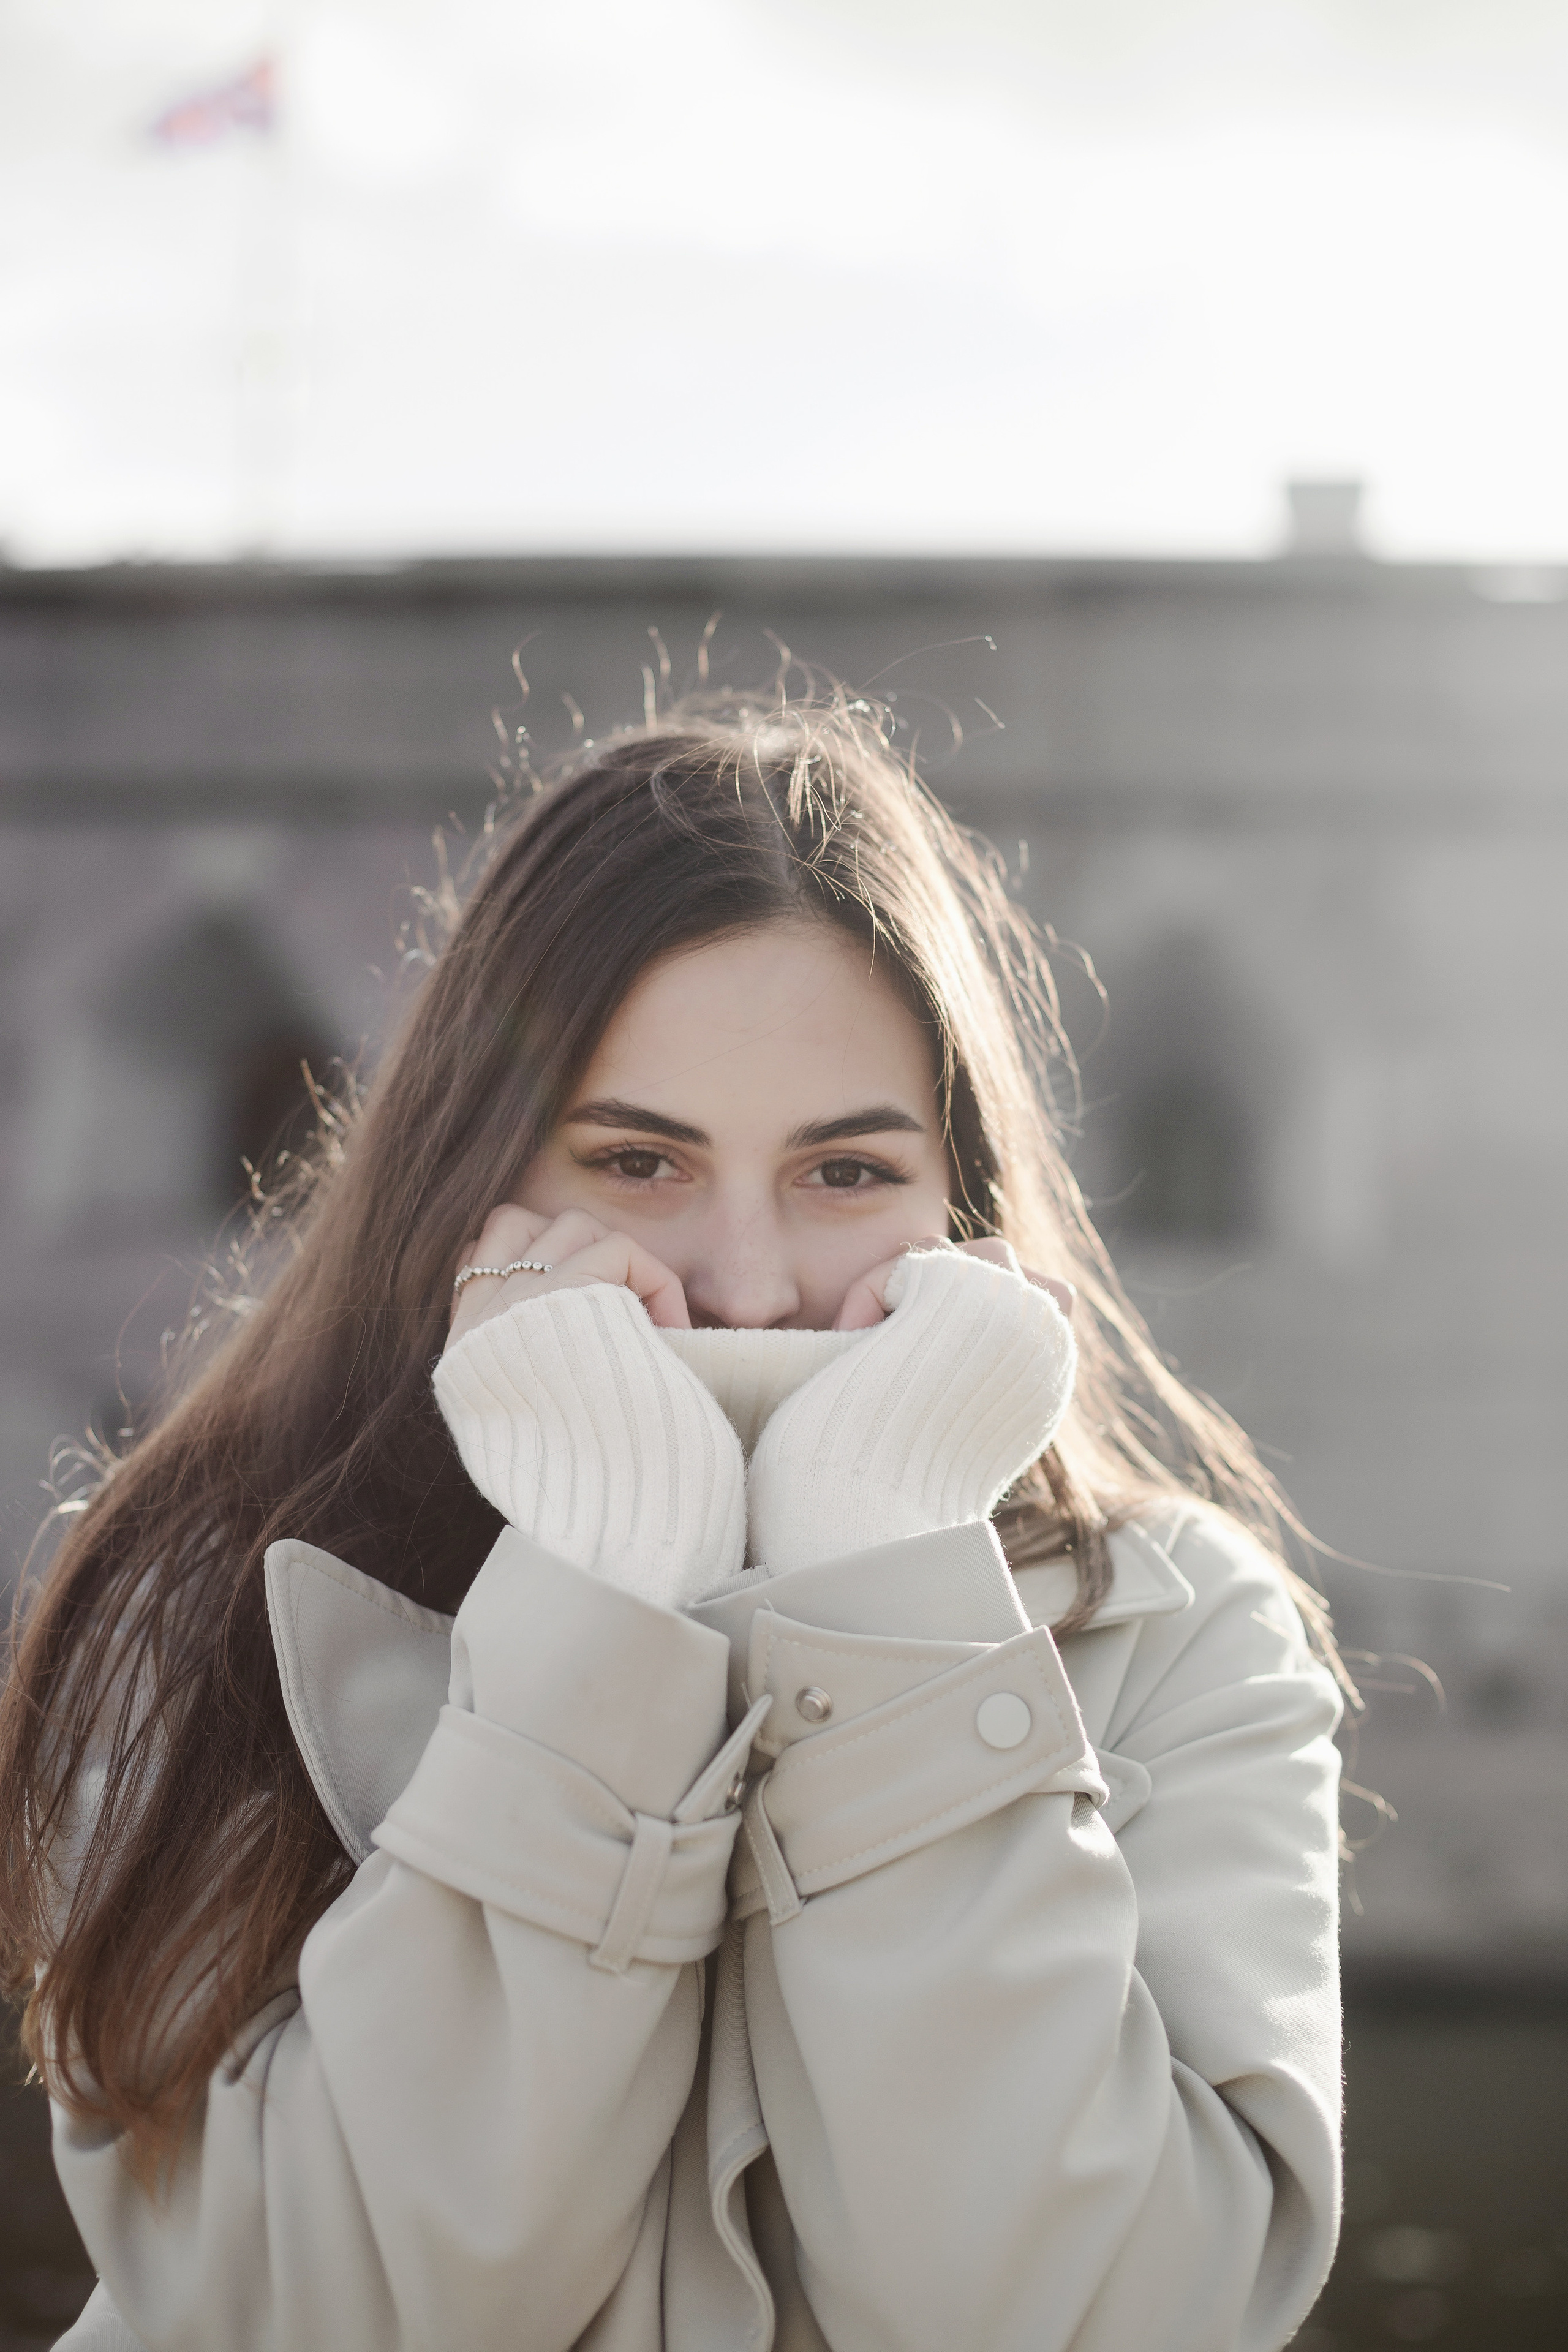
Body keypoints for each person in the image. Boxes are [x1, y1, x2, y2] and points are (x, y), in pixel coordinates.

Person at [1, 689, 1347, 2352]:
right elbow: (305, 2309)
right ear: (471, 1182)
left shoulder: (1187, 1626)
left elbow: (1104, 2320)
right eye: (638, 1164)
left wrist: (886, 1590)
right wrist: (596, 1601)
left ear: (966, 1210)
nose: (753, 1279)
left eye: (846, 1174)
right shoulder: (206, 1600)